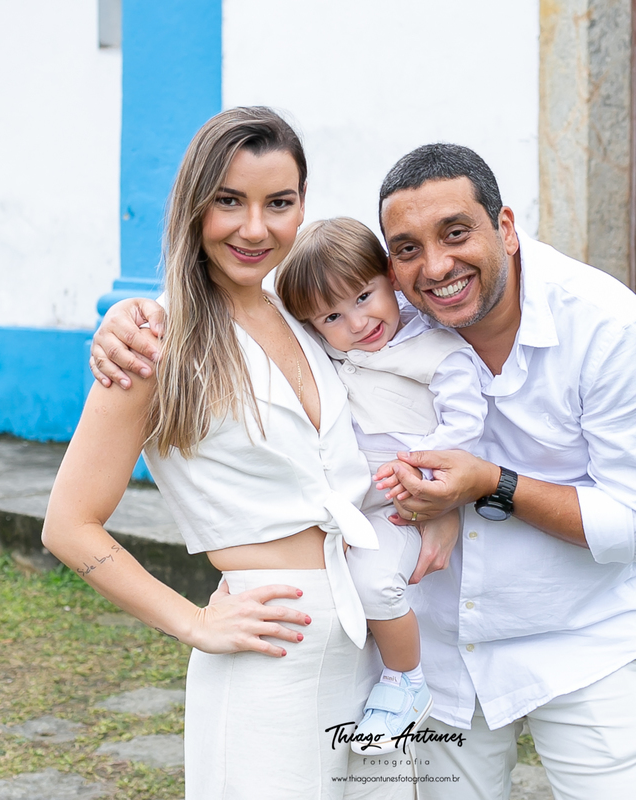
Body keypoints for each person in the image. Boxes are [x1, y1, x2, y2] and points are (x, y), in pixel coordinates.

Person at [92, 144, 636, 799]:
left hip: (580, 646)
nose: (436, 266)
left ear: (507, 228)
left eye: (456, 234)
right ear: (388, 264)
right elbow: (250, 307)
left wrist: (493, 484)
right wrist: (132, 316)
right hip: (432, 656)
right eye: (407, 249)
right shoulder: (363, 319)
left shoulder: (607, 330)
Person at [43, 107, 411, 800]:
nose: (254, 228)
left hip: (368, 645)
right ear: (194, 206)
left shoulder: (306, 317)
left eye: (279, 203)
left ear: (302, 206)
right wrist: (195, 622)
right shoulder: (156, 342)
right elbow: (68, 524)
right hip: (268, 650)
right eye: (229, 202)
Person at [274, 217, 487, 754]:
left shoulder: (440, 349)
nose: (358, 321)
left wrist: (427, 473)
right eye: (332, 316)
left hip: (403, 503)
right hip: (340, 503)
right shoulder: (326, 351)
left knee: (373, 582)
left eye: (365, 295)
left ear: (389, 276)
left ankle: (406, 679)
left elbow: (465, 423)